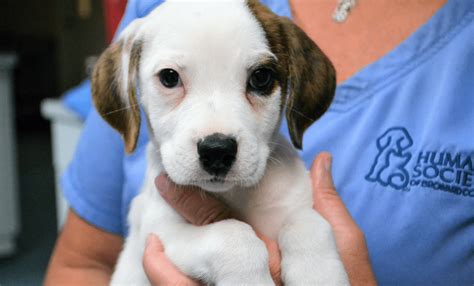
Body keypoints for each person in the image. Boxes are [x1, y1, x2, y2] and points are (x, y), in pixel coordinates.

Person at [45, 0, 474, 285]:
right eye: (171, 79)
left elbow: (299, 225)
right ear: (129, 88)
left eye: (259, 80)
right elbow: (89, 261)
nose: (217, 135)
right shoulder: (158, 14)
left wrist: (315, 246)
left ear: (292, 91)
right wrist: (235, 252)